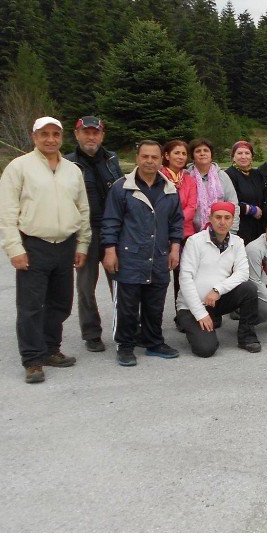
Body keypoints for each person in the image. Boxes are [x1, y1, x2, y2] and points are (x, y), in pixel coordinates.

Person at [0, 116, 91, 384]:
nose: (50, 139)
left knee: (60, 303)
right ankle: (33, 360)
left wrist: (82, 243)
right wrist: (14, 248)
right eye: (44, 134)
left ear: (62, 137)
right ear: (34, 136)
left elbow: (83, 210)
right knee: (30, 306)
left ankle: (51, 349)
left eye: (55, 134)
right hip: (34, 245)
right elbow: (6, 212)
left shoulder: (72, 170)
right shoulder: (19, 168)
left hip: (65, 245)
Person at [101, 140, 184, 367]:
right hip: (130, 256)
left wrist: (175, 248)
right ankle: (125, 345)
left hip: (158, 256)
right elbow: (110, 222)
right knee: (127, 305)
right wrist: (110, 251)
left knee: (155, 303)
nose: (149, 161)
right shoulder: (121, 188)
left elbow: (176, 222)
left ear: (161, 159)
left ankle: (154, 342)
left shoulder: (170, 189)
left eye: (154, 157)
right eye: (145, 156)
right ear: (137, 158)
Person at [64, 115, 123, 352]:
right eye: (86, 132)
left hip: (112, 231)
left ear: (102, 135)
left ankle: (125, 328)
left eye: (95, 132)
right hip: (85, 233)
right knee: (86, 286)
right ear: (77, 134)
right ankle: (91, 333)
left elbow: (121, 193)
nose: (91, 137)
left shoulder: (111, 159)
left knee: (119, 283)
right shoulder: (67, 164)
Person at [176, 201, 261, 356]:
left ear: (233, 220)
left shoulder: (238, 242)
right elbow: (185, 279)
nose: (222, 222)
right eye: (218, 217)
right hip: (190, 306)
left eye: (227, 218)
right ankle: (191, 325)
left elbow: (242, 273)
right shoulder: (195, 241)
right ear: (210, 218)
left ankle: (246, 337)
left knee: (248, 289)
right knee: (206, 349)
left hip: (216, 300)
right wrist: (201, 313)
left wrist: (218, 290)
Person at [161, 139, 199, 313]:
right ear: (167, 155)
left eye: (184, 153)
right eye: (177, 153)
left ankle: (182, 314)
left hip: (185, 233)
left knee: (183, 275)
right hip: (161, 232)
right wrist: (168, 222)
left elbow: (192, 206)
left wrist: (176, 220)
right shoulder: (159, 176)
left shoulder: (189, 179)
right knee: (160, 277)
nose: (181, 157)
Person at [188, 137, 240, 234]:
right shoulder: (187, 176)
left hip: (220, 232)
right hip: (191, 233)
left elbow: (233, 205)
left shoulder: (222, 176)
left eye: (206, 150)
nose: (202, 153)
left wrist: (232, 231)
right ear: (192, 156)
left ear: (211, 155)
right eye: (198, 151)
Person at [225, 140, 266, 245]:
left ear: (252, 156)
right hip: (239, 225)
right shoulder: (228, 175)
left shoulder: (257, 174)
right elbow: (228, 202)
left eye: (247, 153)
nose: (243, 157)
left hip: (258, 226)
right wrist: (250, 209)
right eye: (239, 153)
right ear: (233, 156)